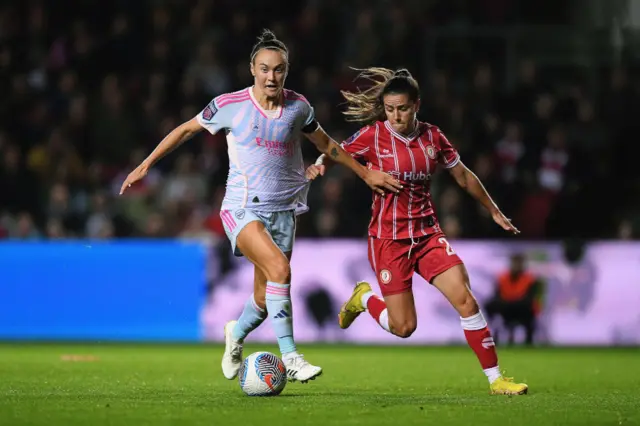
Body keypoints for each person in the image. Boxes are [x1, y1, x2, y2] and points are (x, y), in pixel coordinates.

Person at [119, 32, 401, 383]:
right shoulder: (229, 105)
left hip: (284, 211)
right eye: (265, 69)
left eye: (279, 70)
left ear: (286, 71)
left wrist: (364, 172)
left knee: (264, 299)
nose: (271, 77)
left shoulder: (299, 108)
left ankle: (235, 334)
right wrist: (147, 164)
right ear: (252, 69)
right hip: (241, 208)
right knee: (280, 271)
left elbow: (326, 143)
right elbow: (187, 130)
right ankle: (292, 357)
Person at [313, 67, 528, 395]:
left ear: (416, 105)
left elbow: (464, 176)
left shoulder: (433, 137)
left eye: (402, 108)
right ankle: (364, 298)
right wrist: (319, 165)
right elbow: (334, 150)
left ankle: (496, 380)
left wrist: (493, 210)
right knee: (404, 327)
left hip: (428, 236)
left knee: (467, 301)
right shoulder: (373, 136)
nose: (395, 116)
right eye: (389, 109)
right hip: (389, 241)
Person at [485, 253, 542, 345]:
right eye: (515, 263)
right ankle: (492, 336)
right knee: (491, 305)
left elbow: (530, 298)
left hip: (522, 310)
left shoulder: (530, 279)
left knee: (527, 307)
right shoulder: (502, 278)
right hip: (506, 308)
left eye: (519, 263)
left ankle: (529, 341)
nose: (516, 266)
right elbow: (497, 295)